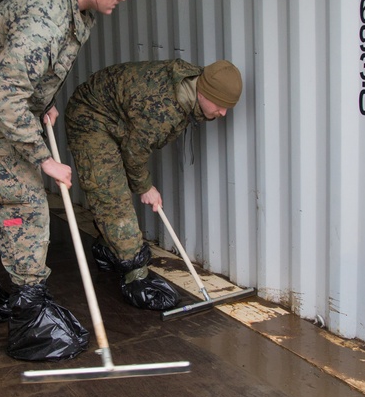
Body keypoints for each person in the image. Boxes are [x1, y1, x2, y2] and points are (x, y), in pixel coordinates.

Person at [0, 0, 141, 362]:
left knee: (7, 197)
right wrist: (44, 159)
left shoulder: (76, 5)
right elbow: (5, 95)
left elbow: (29, 74)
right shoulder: (46, 21)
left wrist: (44, 102)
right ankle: (30, 316)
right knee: (26, 203)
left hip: (5, 103)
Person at [64, 59, 243, 311]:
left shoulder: (191, 85)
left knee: (115, 189)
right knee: (111, 194)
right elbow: (134, 152)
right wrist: (145, 187)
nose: (224, 113)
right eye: (221, 106)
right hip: (90, 117)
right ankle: (135, 276)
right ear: (204, 93)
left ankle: (109, 248)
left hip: (116, 116)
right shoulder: (162, 107)